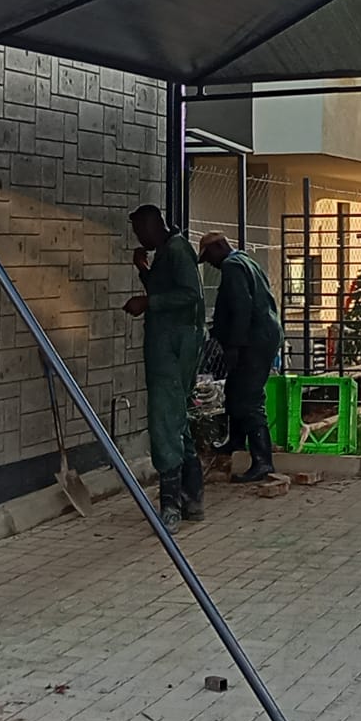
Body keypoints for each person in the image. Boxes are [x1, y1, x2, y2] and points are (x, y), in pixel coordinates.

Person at [122, 205, 206, 528]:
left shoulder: (178, 250)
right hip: (167, 350)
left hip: (173, 352)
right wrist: (144, 271)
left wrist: (148, 303)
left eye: (139, 231)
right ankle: (192, 498)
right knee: (176, 419)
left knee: (164, 420)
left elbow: (189, 296)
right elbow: (165, 289)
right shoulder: (166, 253)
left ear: (152, 225)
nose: (138, 238)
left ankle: (170, 506)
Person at [199, 232, 282, 482]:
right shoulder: (247, 261)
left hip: (252, 341)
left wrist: (233, 345)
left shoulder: (232, 266)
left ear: (219, 247)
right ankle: (234, 443)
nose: (211, 264)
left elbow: (240, 307)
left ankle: (263, 461)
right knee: (235, 389)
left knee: (248, 397)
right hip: (262, 336)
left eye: (209, 257)